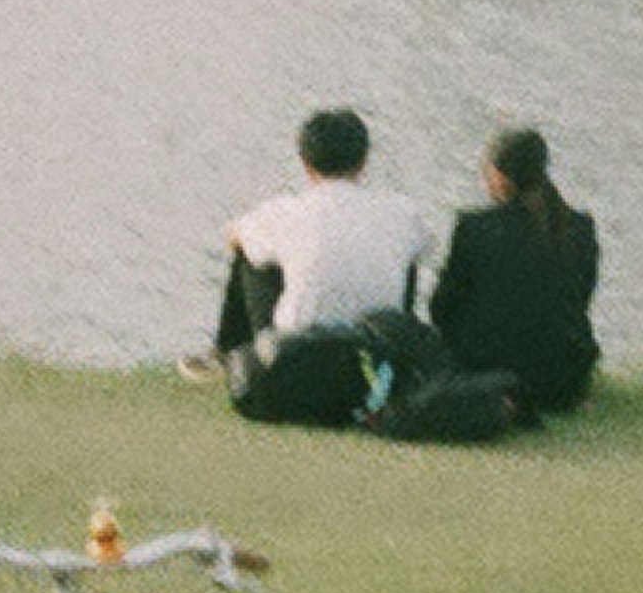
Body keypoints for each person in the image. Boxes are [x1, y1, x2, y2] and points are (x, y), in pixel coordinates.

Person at [213, 109, 518, 443]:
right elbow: (424, 245)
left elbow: (233, 233)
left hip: (293, 364)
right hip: (375, 368)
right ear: (363, 161)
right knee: (407, 252)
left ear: (304, 162)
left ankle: (229, 352)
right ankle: (391, 335)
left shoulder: (284, 211)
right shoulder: (400, 212)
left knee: (249, 248)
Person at [427, 125, 602, 423]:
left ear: (499, 174)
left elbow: (442, 308)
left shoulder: (474, 228)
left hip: (485, 376)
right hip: (561, 381)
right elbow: (580, 298)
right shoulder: (580, 227)